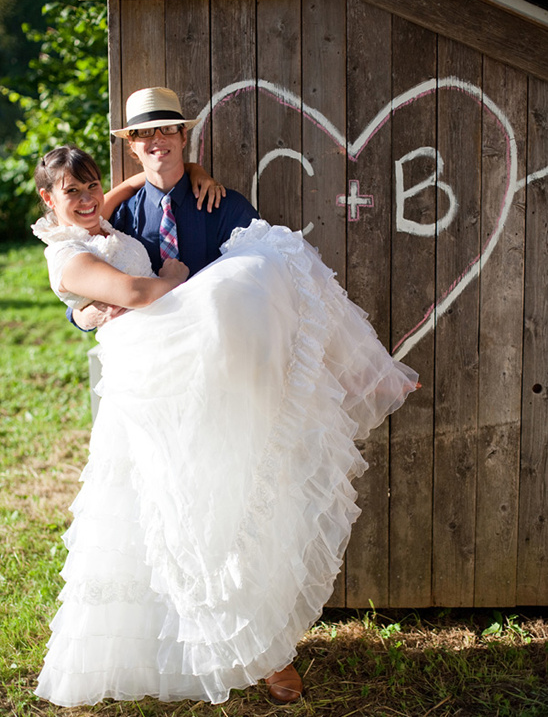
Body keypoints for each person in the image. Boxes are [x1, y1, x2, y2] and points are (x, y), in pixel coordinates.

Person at [31, 146, 418, 707]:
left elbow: (135, 182)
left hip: (183, 367)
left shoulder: (100, 217)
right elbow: (136, 294)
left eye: (92, 186)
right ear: (49, 200)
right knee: (184, 514)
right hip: (148, 379)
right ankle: (237, 650)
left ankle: (267, 650)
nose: (89, 198)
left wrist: (192, 171)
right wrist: (178, 280)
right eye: (72, 192)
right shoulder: (66, 255)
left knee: (229, 490)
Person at [71, 86, 258, 331]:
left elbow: (260, 279)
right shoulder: (119, 218)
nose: (158, 138)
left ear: (183, 137)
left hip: (218, 342)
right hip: (147, 349)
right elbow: (80, 282)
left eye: (168, 128)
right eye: (146, 132)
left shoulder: (227, 207)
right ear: (132, 144)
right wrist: (82, 316)